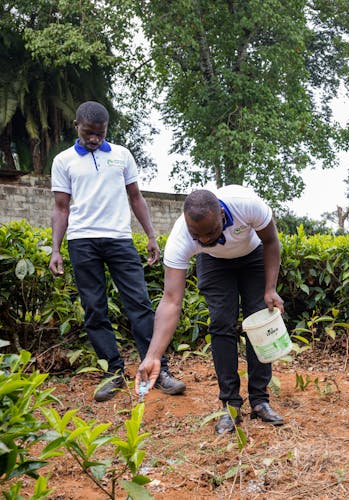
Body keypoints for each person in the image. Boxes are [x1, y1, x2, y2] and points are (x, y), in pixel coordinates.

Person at [49, 101, 186, 402]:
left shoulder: (122, 155)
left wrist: (150, 235)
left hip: (120, 239)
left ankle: (157, 368)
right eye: (89, 133)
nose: (95, 139)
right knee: (94, 308)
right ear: (77, 127)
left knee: (139, 303)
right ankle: (113, 371)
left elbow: (136, 197)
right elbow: (61, 208)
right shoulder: (63, 160)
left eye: (100, 133)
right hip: (82, 241)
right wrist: (55, 249)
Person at [135, 186, 285, 435]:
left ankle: (260, 400)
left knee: (257, 320)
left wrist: (270, 288)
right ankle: (230, 406)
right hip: (213, 263)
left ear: (222, 217)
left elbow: (270, 240)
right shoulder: (181, 238)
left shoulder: (246, 204)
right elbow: (171, 300)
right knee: (221, 324)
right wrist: (153, 355)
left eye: (211, 231)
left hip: (253, 256)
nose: (204, 239)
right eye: (198, 235)